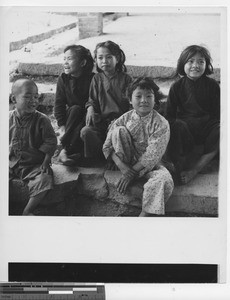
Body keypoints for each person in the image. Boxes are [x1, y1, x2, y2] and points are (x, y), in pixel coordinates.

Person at [103, 77, 174, 217]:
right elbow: (107, 146)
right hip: (126, 160)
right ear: (130, 99)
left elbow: (152, 155)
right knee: (118, 131)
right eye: (138, 96)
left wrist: (132, 174)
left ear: (155, 100)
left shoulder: (161, 123)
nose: (144, 100)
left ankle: (145, 214)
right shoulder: (125, 118)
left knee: (164, 179)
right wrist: (122, 166)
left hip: (149, 166)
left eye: (149, 96)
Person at [165, 45, 220, 184]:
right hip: (186, 129)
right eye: (190, 61)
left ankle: (194, 170)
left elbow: (218, 113)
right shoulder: (176, 87)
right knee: (176, 126)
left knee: (222, 130)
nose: (195, 65)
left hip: (206, 127)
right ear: (182, 64)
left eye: (201, 62)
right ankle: (178, 167)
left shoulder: (212, 85)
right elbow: (169, 116)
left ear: (206, 65)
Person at [9, 78, 57, 215]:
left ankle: (27, 211)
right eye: (27, 97)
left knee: (44, 179)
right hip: (10, 162)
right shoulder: (7, 118)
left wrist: (46, 162)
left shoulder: (42, 120)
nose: (33, 101)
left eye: (36, 97)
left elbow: (51, 142)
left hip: (32, 164)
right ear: (14, 99)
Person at [80, 40, 132, 163]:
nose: (104, 61)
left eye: (109, 57)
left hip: (120, 123)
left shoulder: (125, 79)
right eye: (100, 57)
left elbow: (131, 104)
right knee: (86, 132)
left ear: (117, 58)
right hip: (102, 122)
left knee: (118, 134)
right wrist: (90, 108)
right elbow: (91, 100)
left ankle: (116, 160)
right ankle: (99, 159)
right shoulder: (97, 79)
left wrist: (120, 121)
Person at [54, 45, 94, 165]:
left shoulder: (92, 79)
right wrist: (61, 125)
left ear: (82, 63)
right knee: (76, 109)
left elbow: (94, 100)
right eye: (64, 59)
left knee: (82, 117)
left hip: (87, 118)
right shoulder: (63, 79)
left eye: (69, 59)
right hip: (71, 117)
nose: (65, 62)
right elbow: (59, 104)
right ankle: (65, 149)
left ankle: (66, 151)